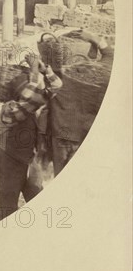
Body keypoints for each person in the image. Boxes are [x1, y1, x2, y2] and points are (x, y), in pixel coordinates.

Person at [0, 54, 62, 219]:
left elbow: (56, 85)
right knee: (8, 209)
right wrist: (34, 73)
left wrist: (45, 70)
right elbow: (27, 97)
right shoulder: (9, 109)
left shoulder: (31, 104)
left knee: (38, 201)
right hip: (9, 163)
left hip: (29, 161)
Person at [48, 29, 114, 175]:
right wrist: (93, 38)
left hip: (62, 135)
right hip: (87, 135)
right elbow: (110, 55)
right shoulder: (104, 73)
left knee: (61, 179)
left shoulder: (59, 75)